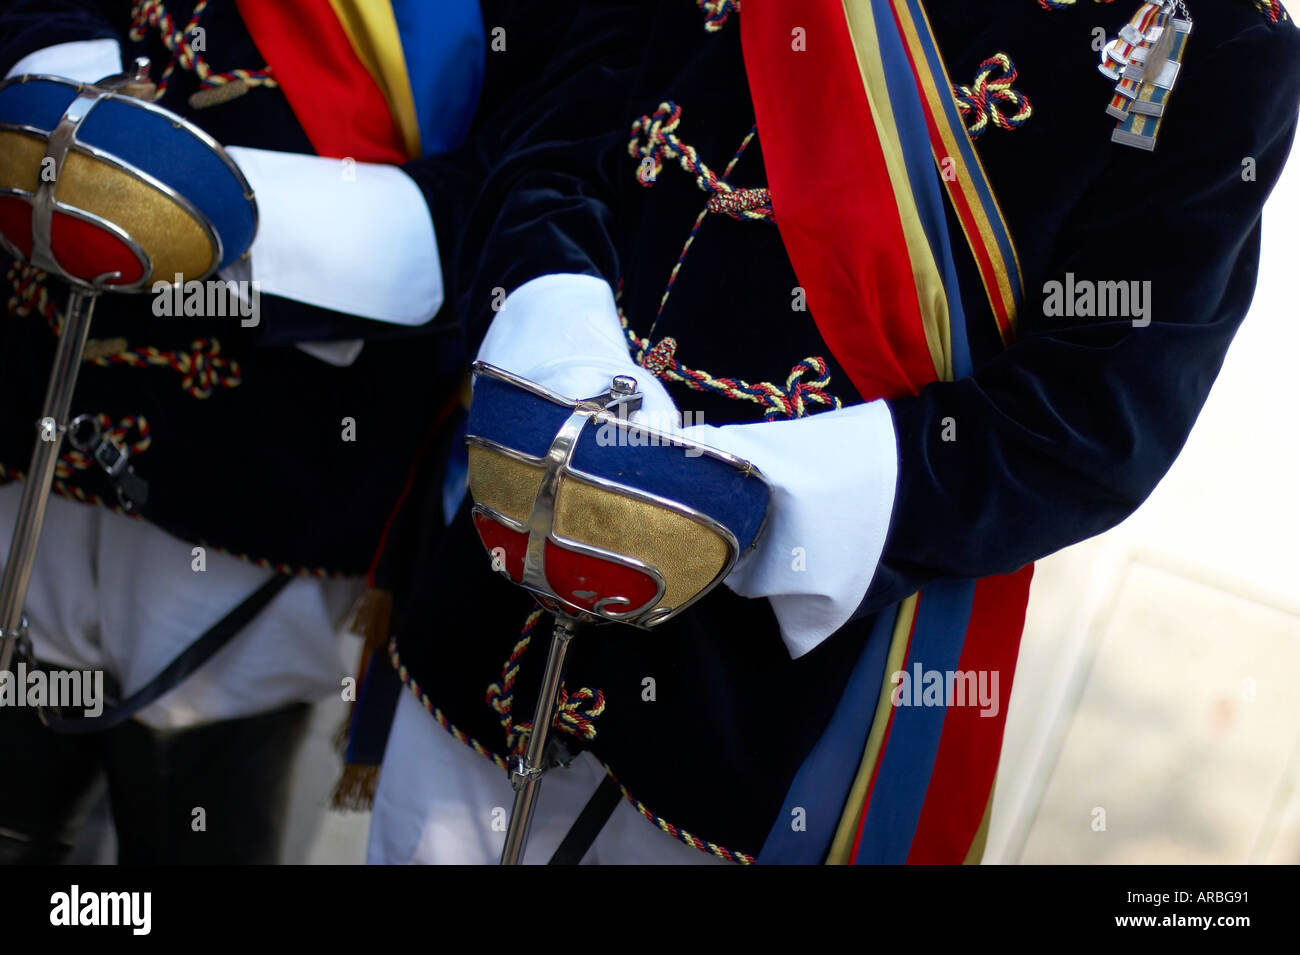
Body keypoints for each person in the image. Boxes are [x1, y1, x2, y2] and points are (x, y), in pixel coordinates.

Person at [363, 0, 1300, 864]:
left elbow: (1095, 422)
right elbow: (556, 138)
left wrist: (724, 498)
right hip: (501, 585)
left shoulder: (1217, 43)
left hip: (771, 709)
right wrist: (564, 359)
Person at [0, 0, 490, 863]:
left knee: (200, 818)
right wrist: (48, 66)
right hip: (31, 406)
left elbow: (525, 158)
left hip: (261, 465)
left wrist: (197, 203)